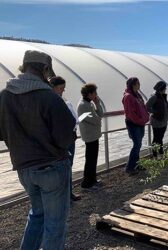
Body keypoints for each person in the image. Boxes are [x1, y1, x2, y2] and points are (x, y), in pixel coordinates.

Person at [0, 50, 75, 250]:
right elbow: (65, 135)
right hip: (52, 166)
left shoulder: (5, 95)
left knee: (37, 215)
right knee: (55, 223)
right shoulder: (48, 96)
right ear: (44, 69)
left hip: (24, 169)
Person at [50, 76, 81, 202]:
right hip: (61, 140)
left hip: (69, 138)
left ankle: (68, 192)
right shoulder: (50, 101)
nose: (63, 90)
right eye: (61, 88)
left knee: (68, 165)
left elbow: (72, 118)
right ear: (53, 87)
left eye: (64, 88)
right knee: (62, 166)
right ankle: (63, 194)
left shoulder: (63, 100)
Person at [77, 83, 104, 190]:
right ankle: (86, 183)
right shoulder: (83, 105)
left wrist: (97, 104)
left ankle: (92, 180)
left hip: (93, 135)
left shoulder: (89, 103)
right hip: (89, 136)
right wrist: (98, 116)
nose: (96, 95)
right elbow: (96, 120)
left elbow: (100, 115)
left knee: (93, 158)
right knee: (90, 159)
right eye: (95, 93)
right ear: (89, 93)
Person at [122, 77, 149, 175]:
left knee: (138, 144)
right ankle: (130, 167)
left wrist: (146, 117)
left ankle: (136, 164)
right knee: (136, 144)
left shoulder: (137, 95)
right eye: (138, 83)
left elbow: (143, 107)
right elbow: (130, 113)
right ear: (133, 85)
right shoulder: (128, 97)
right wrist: (140, 120)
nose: (139, 85)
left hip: (140, 123)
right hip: (134, 124)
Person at [146, 81, 168, 158]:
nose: (165, 89)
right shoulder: (154, 96)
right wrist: (155, 112)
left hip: (163, 121)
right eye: (165, 88)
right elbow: (147, 107)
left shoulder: (162, 96)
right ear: (161, 89)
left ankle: (160, 153)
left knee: (160, 137)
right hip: (157, 121)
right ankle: (155, 154)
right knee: (157, 138)